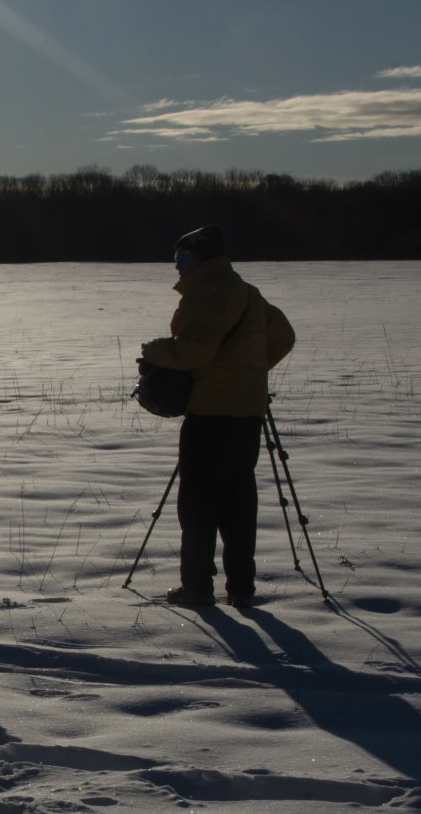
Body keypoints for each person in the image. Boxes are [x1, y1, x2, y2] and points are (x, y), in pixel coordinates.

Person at [141, 225, 295, 607]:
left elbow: (193, 352)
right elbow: (284, 336)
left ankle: (197, 588)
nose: (175, 266)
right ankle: (241, 587)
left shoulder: (206, 293)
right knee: (238, 499)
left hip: (211, 411)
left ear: (199, 258)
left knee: (198, 503)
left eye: (180, 258)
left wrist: (154, 350)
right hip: (248, 411)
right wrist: (250, 372)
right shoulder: (246, 291)